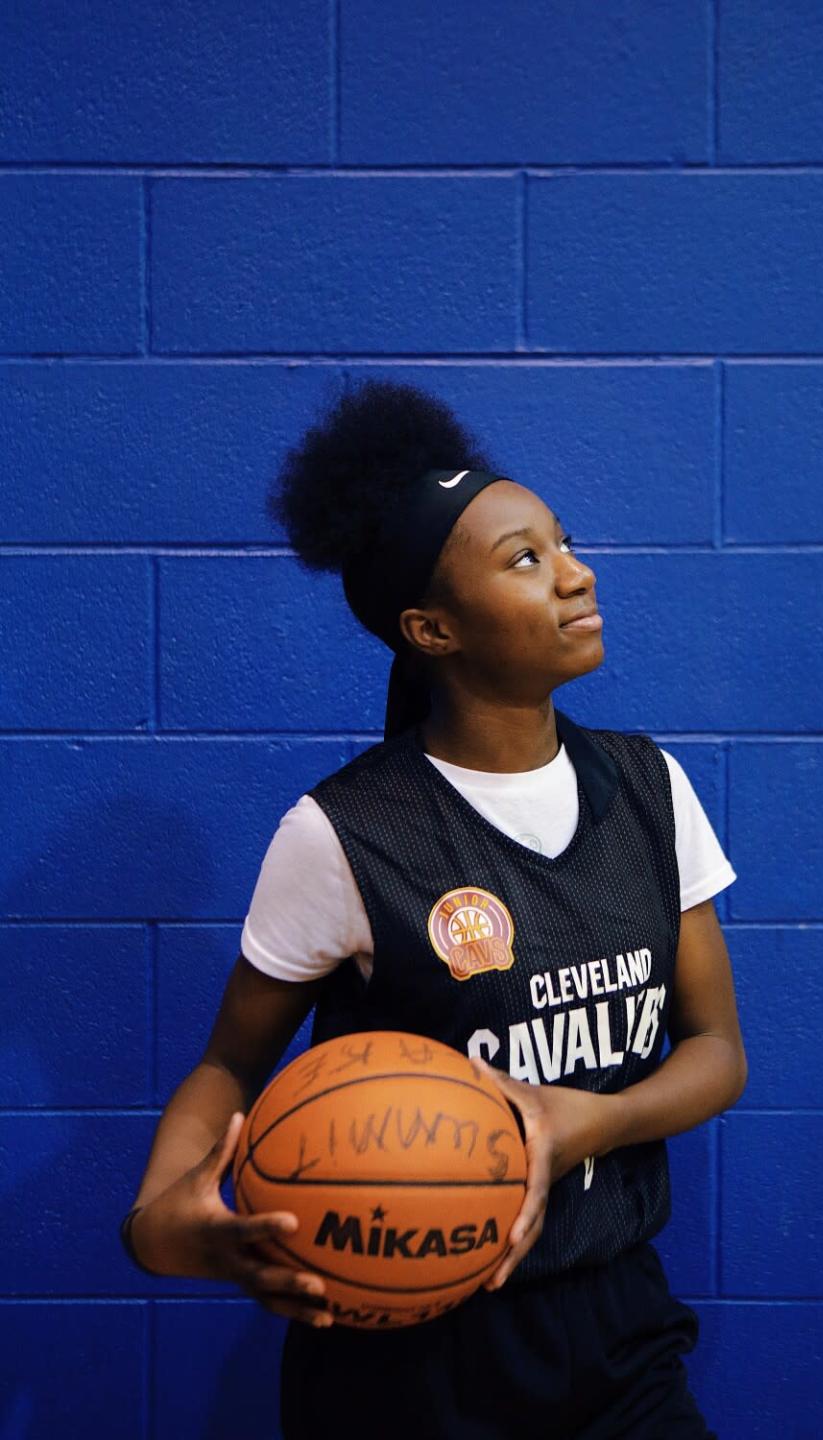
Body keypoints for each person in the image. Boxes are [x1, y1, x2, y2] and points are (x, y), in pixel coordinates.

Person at [121, 377, 747, 1438]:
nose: (576, 575)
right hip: (405, 1362)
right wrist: (161, 1221)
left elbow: (717, 1050)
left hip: (619, 1335)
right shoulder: (345, 834)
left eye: (563, 543)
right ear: (432, 627)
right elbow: (229, 1064)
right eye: (525, 560)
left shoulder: (651, 790)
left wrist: (590, 1121)